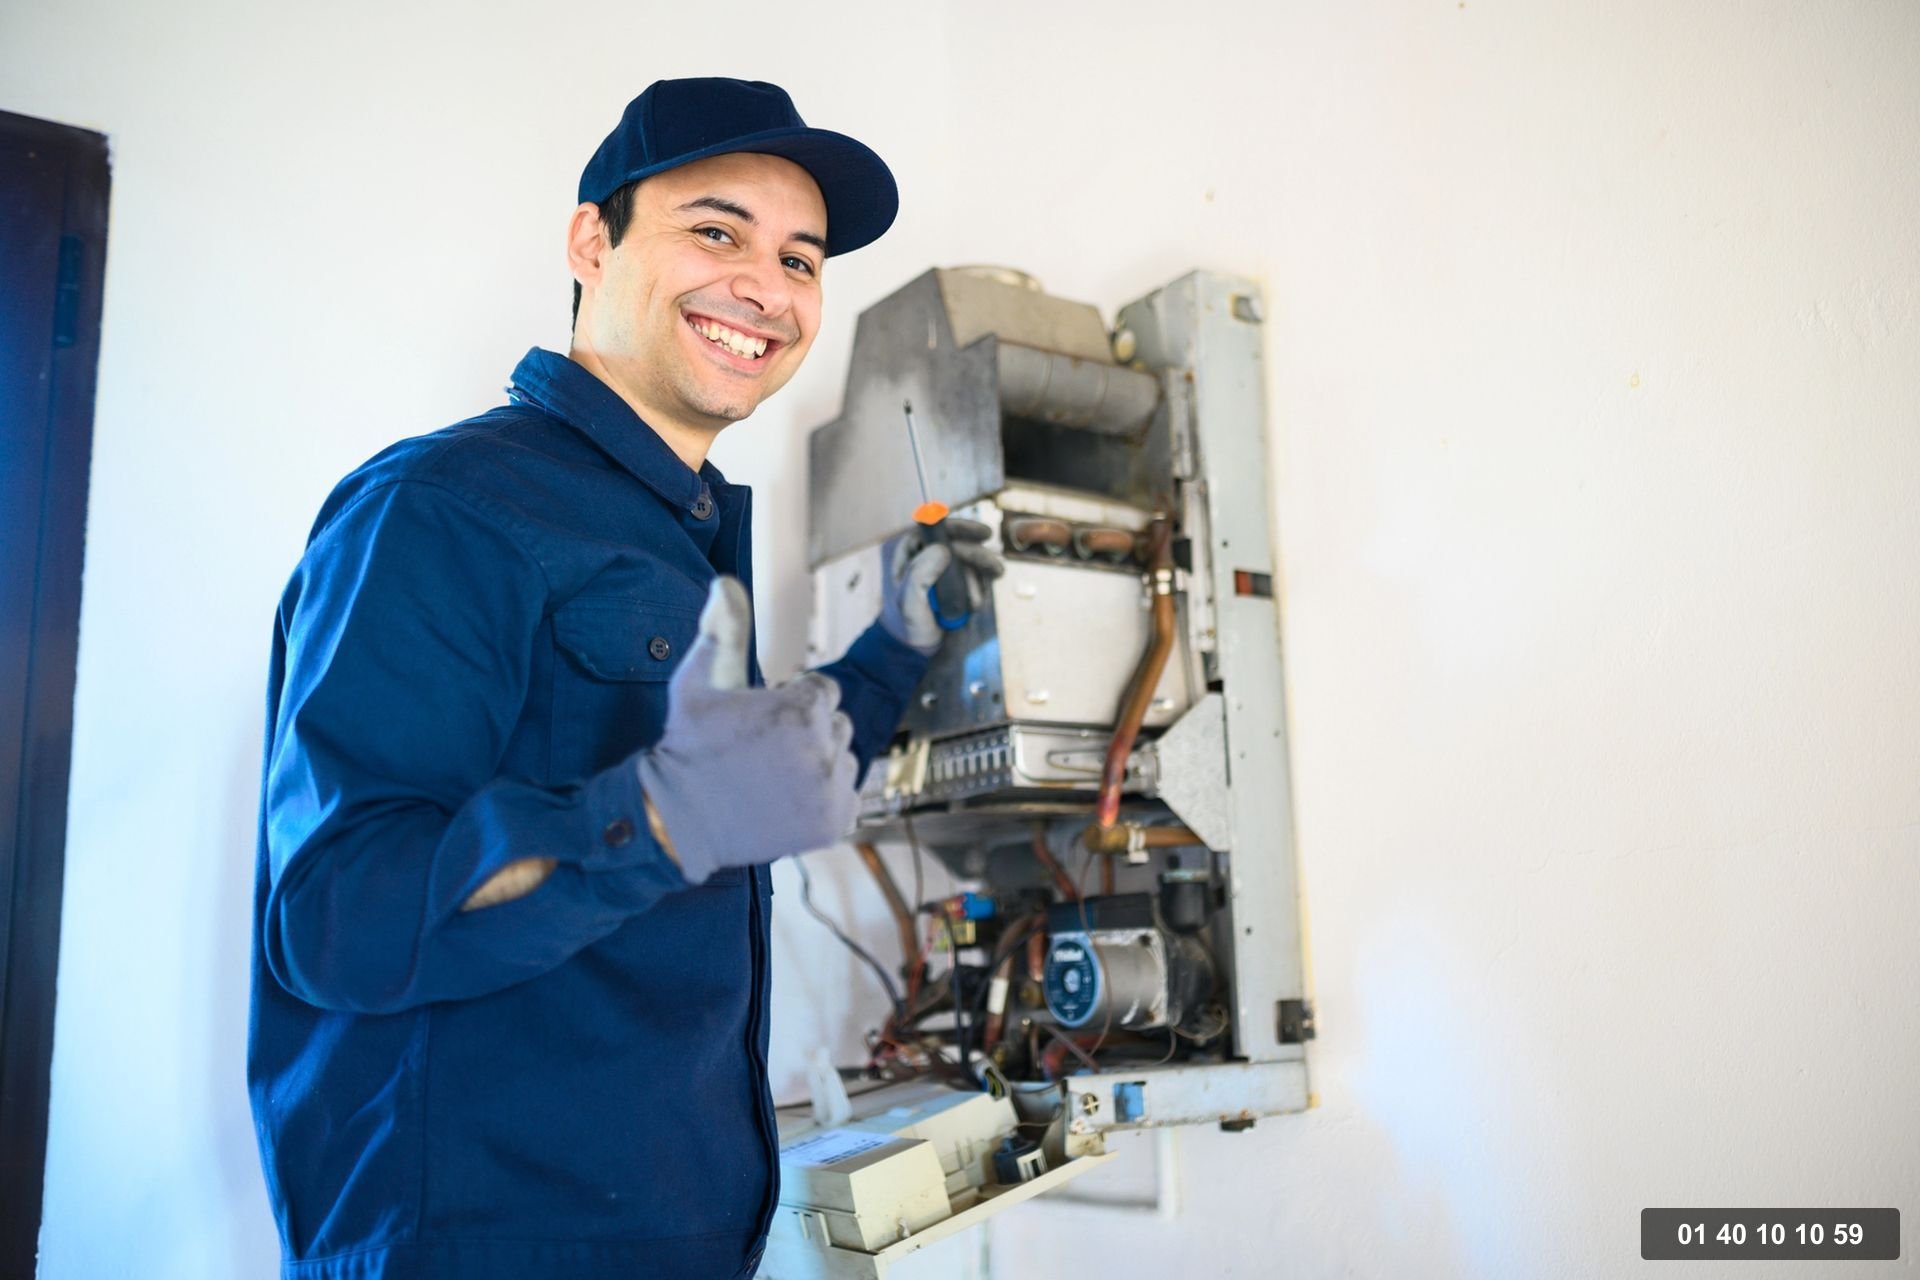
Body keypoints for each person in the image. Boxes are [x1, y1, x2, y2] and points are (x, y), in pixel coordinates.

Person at [247, 78, 997, 1280]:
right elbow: (340, 914)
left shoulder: (675, 540)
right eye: (717, 231)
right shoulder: (441, 508)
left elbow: (754, 780)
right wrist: (656, 817)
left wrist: (895, 648)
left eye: (799, 259)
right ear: (591, 241)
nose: (767, 287)